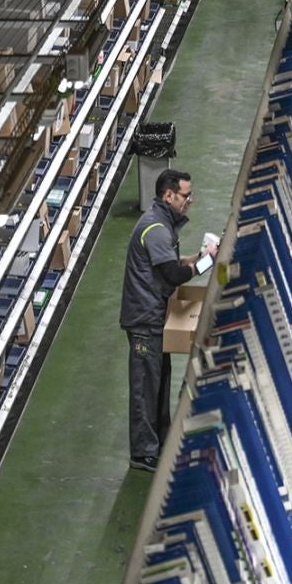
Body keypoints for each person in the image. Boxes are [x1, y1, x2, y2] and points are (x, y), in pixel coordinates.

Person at [119, 169, 217, 471]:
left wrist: (193, 256)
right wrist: (205, 262)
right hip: (144, 321)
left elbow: (169, 263)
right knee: (145, 386)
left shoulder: (161, 224)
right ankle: (143, 452)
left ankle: (159, 441)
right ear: (168, 195)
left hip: (154, 316)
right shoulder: (156, 229)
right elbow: (172, 274)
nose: (190, 200)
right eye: (186, 196)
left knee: (158, 382)